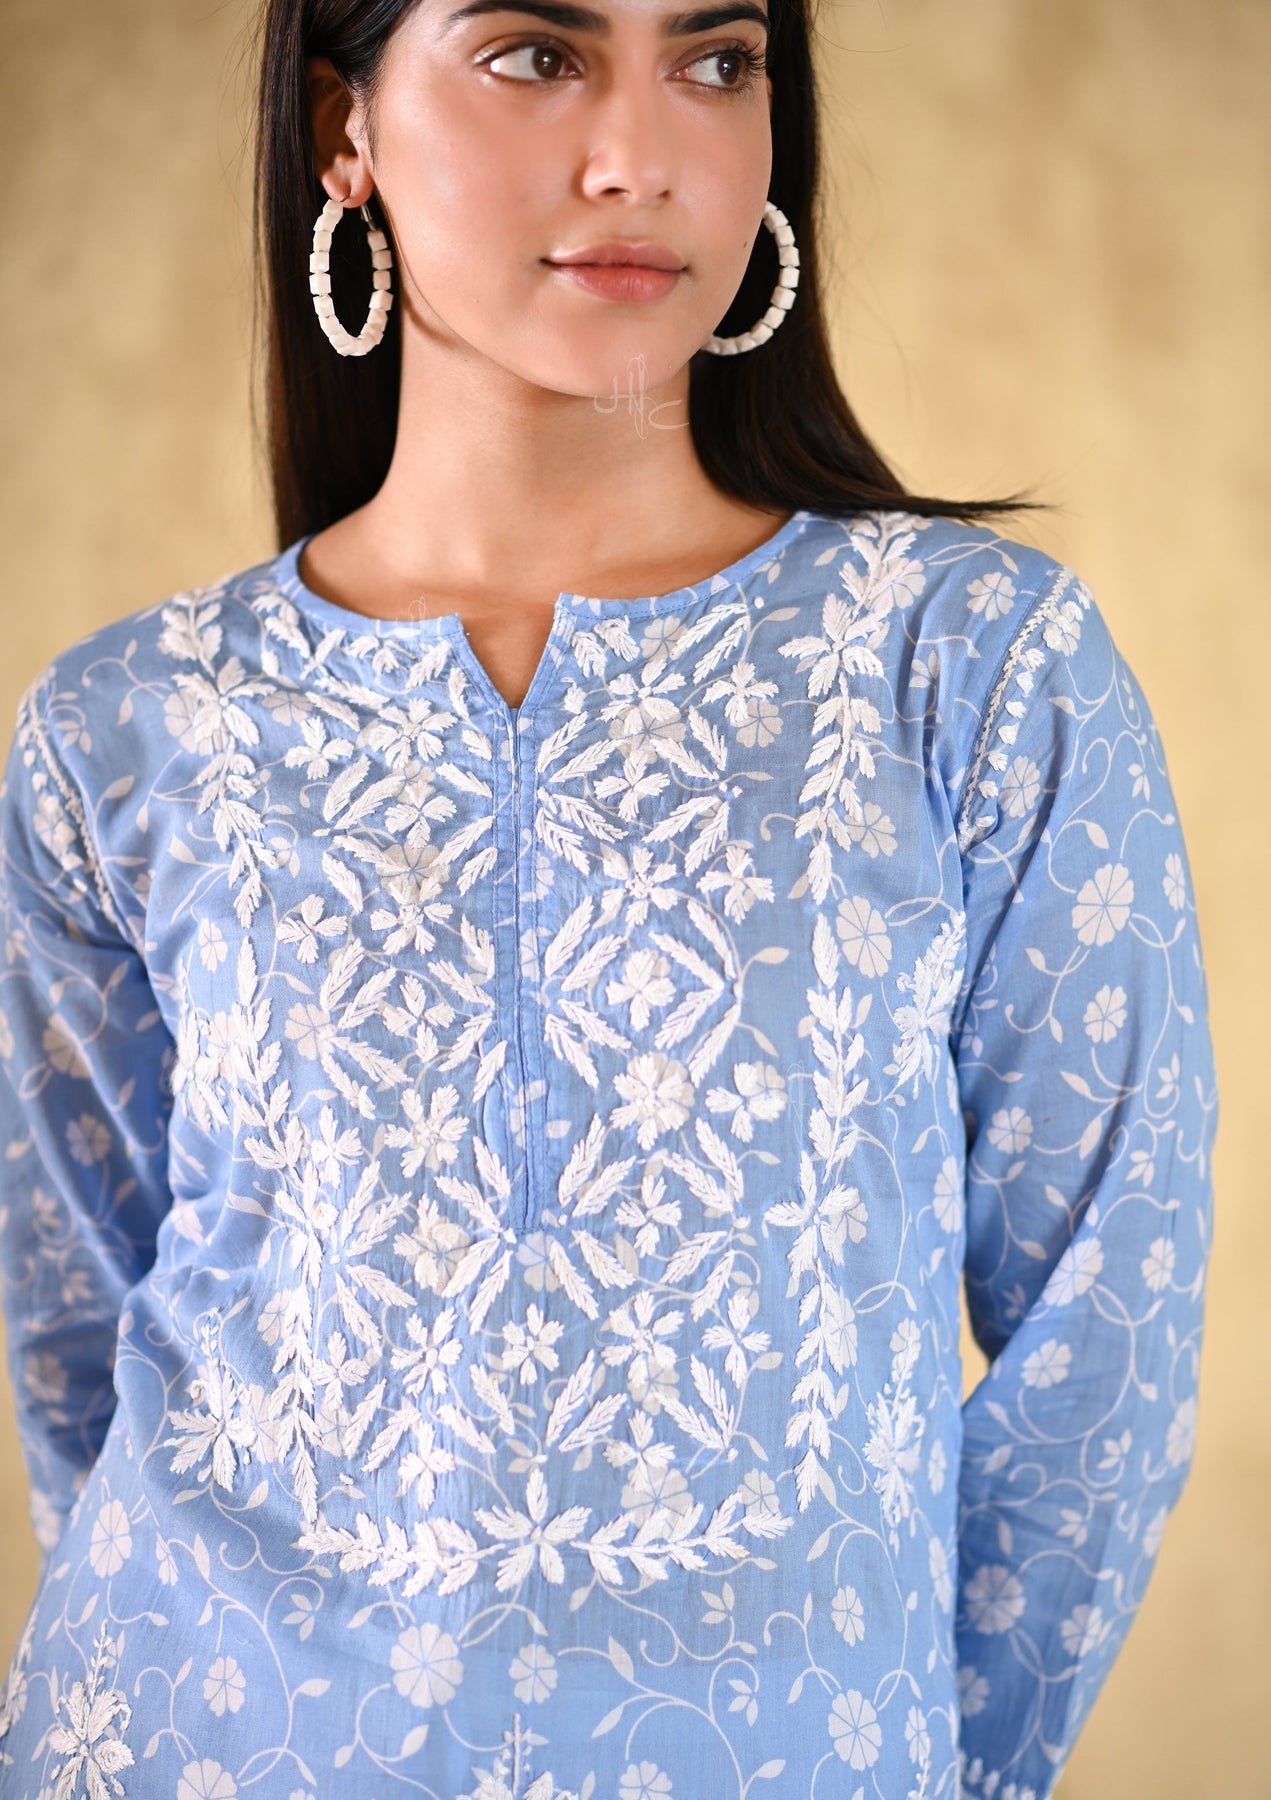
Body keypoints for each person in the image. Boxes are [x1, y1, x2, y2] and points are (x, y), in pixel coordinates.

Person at [0, 0, 1216, 1794]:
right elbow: (80, 1337)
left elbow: (1108, 1330)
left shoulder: (966, 671)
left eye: (717, 63)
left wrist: (928, 1765)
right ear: (344, 132)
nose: (642, 153)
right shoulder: (128, 732)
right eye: (536, 55)